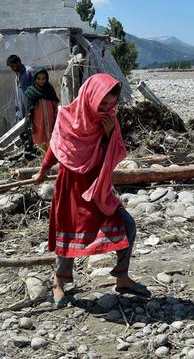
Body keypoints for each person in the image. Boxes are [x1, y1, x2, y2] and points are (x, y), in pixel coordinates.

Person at [32, 73, 150, 307]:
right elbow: (56, 147)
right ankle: (59, 281)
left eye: (110, 104)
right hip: (71, 185)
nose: (105, 108)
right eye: (102, 103)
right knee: (69, 233)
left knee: (127, 224)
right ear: (90, 96)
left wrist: (107, 135)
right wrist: (43, 172)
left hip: (97, 185)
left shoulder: (109, 121)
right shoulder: (67, 116)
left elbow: (114, 152)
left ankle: (122, 276)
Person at [25, 67, 60, 151]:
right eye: (38, 79)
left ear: (46, 78)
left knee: (52, 142)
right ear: (34, 79)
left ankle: (51, 161)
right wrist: (30, 123)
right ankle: (44, 161)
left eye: (43, 78)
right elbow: (29, 109)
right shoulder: (31, 92)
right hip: (38, 122)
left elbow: (55, 104)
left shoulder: (49, 90)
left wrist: (57, 118)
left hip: (51, 121)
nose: (41, 81)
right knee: (41, 143)